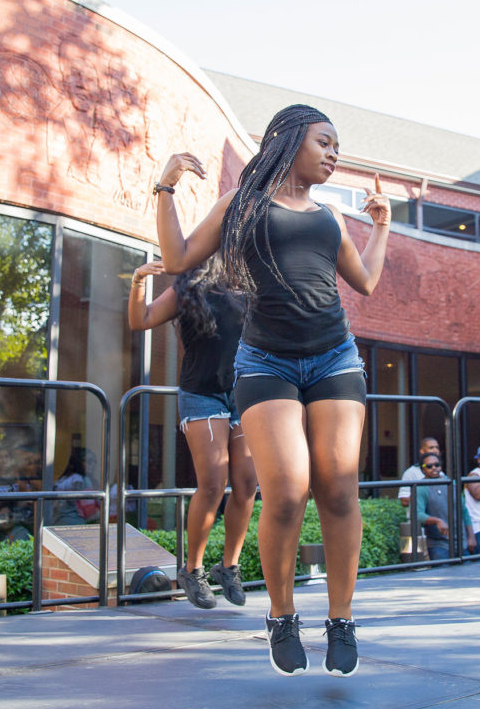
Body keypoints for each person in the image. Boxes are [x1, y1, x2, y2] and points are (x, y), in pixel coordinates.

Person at [154, 104, 390, 677]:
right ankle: (281, 616)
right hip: (266, 363)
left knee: (337, 488)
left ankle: (341, 618)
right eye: (325, 143)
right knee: (285, 490)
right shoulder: (241, 207)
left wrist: (382, 225)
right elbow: (177, 258)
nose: (334, 154)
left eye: (338, 147)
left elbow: (365, 282)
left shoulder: (330, 218)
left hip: (335, 356)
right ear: (288, 142)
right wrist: (165, 187)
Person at [128, 255, 255, 609]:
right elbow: (140, 320)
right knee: (213, 483)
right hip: (202, 393)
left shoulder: (249, 286)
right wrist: (139, 280)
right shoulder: (188, 289)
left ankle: (228, 567)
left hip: (243, 393)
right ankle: (193, 570)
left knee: (246, 484)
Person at [415, 453, 476, 559]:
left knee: (467, 573)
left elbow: (464, 510)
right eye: (429, 466)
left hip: (462, 543)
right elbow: (417, 514)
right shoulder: (421, 487)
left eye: (437, 465)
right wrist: (437, 521)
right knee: (443, 573)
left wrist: (471, 536)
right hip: (439, 545)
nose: (434, 468)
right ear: (423, 469)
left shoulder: (451, 483)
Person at [398, 437, 441, 509]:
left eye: (437, 447)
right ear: (422, 451)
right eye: (431, 448)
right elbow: (404, 501)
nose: (435, 450)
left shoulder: (440, 473)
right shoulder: (411, 472)